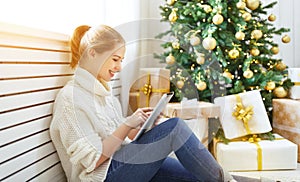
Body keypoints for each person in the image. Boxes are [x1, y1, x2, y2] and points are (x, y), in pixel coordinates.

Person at [49, 25, 258, 182]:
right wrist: (127, 124)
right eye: (115, 59)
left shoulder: (102, 93)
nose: (119, 67)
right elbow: (94, 160)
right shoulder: (71, 99)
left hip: (122, 163)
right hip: (103, 177)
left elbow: (118, 137)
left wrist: (141, 126)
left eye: (121, 60)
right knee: (175, 128)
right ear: (92, 52)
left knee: (196, 176)